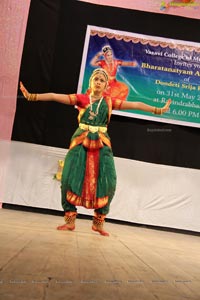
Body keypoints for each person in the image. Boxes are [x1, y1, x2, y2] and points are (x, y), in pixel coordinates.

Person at [20, 68, 171, 237]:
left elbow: (135, 105)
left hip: (102, 143)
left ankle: (98, 222)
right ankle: (69, 220)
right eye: (96, 79)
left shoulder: (109, 102)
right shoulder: (82, 99)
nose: (98, 82)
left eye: (101, 80)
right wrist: (33, 96)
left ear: (106, 85)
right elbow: (55, 96)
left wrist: (158, 110)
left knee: (109, 181)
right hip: (80, 141)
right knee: (69, 178)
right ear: (90, 82)